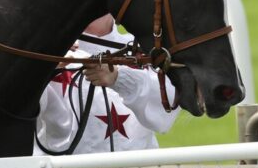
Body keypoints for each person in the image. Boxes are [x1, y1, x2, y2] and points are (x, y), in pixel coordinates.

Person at [35, 15, 180, 154]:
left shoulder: (142, 47)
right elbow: (17, 112)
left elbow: (166, 113)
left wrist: (118, 77)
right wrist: (39, 68)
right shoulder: (47, 48)